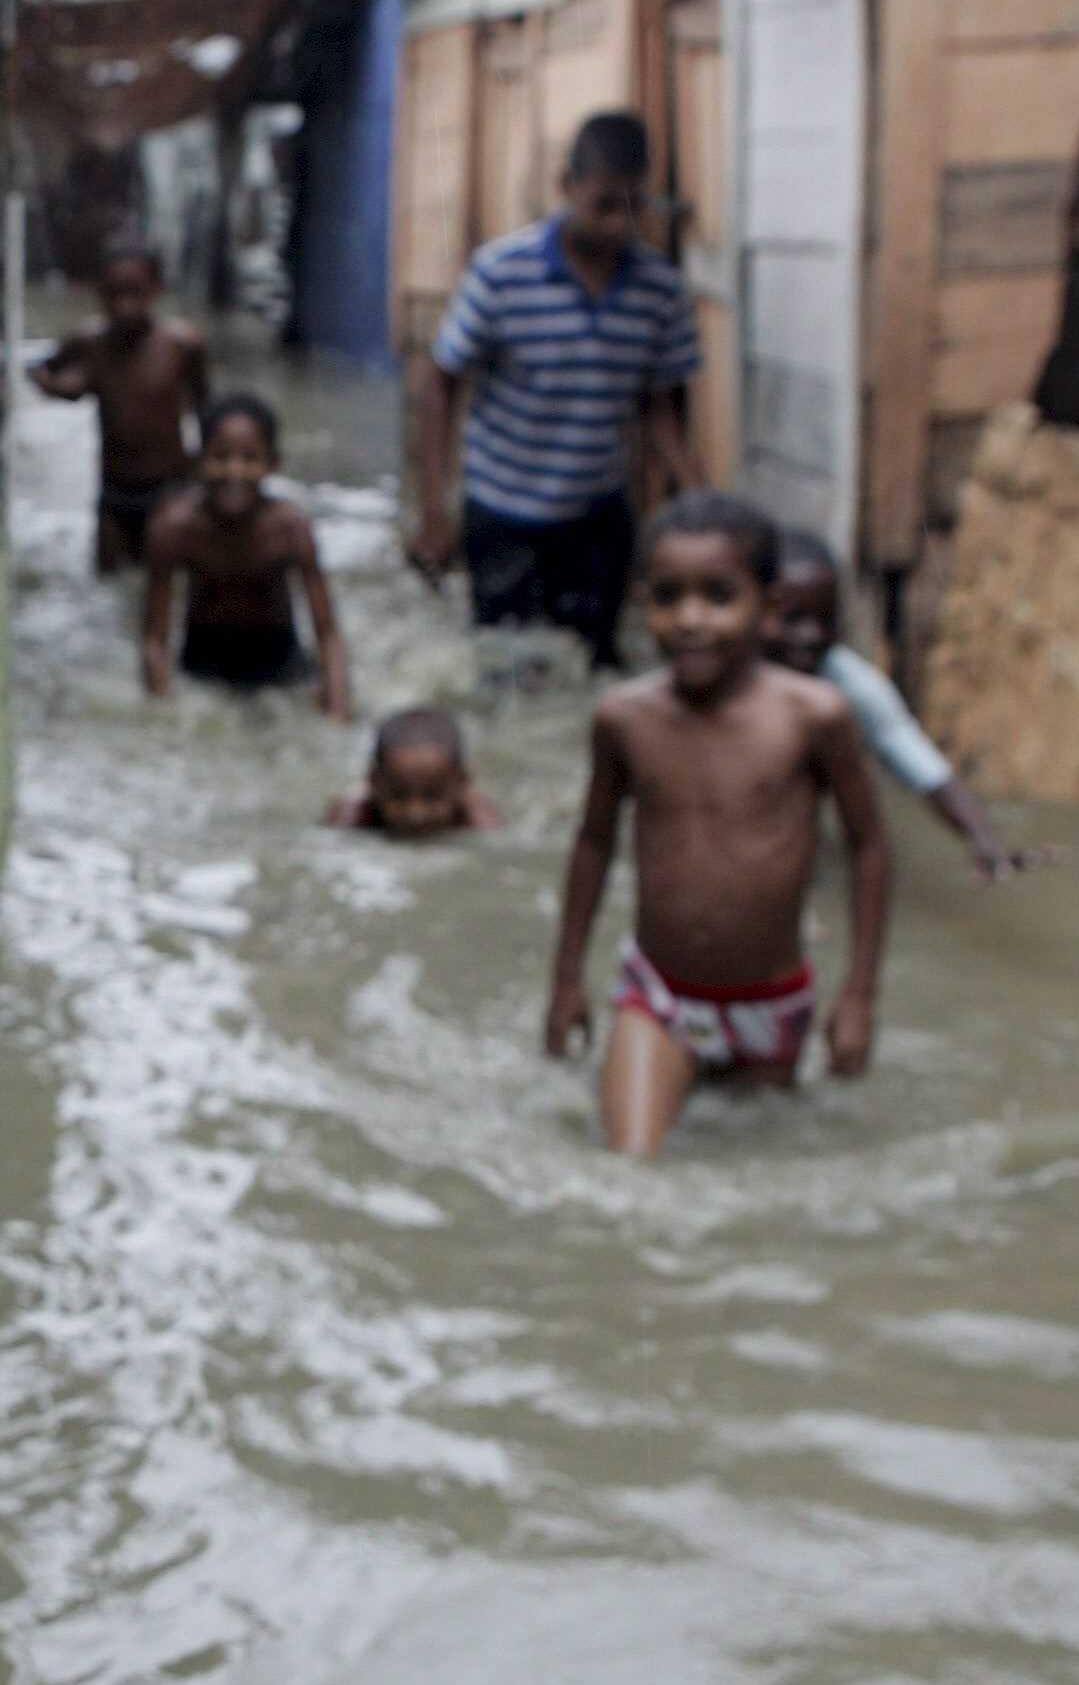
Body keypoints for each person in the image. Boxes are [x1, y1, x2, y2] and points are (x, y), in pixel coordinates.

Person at [545, 493, 891, 1158]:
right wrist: (566, 982)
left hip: (774, 1001)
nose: (691, 619)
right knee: (627, 1170)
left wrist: (859, 995)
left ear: (768, 606)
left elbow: (869, 845)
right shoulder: (624, 719)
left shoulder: (814, 717)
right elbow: (592, 843)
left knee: (754, 1180)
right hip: (659, 995)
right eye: (668, 596)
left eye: (718, 596)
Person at [411, 112, 704, 667]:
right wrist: (434, 508)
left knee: (594, 664)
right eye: (605, 205)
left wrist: (700, 499)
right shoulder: (501, 272)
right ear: (567, 188)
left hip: (597, 512)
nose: (620, 225)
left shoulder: (659, 290)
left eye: (634, 207)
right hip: (502, 507)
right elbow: (440, 385)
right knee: (506, 667)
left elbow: (658, 409)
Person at [768, 528, 1053, 882]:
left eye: (825, 620)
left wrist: (985, 841)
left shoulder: (849, 684)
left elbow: (920, 764)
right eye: (793, 618)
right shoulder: (707, 681)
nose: (810, 635)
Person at [137, 392, 352, 717]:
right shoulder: (173, 528)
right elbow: (155, 637)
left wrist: (338, 708)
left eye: (250, 458)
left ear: (272, 464)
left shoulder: (290, 528)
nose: (234, 471)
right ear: (198, 462)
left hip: (280, 660)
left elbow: (327, 633)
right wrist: (160, 712)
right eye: (220, 457)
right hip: (202, 661)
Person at [32, 242, 212, 573]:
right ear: (99, 294)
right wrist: (63, 388)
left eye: (134, 293)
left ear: (156, 290)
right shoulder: (91, 342)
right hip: (114, 492)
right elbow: (44, 369)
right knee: (106, 585)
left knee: (165, 585)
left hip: (170, 490)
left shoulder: (182, 345)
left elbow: (206, 413)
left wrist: (206, 477)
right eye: (113, 294)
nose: (123, 305)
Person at [327, 706, 503, 837]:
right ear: (374, 783)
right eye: (398, 795)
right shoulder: (353, 814)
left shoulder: (479, 819)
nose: (415, 813)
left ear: (461, 784)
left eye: (432, 796)